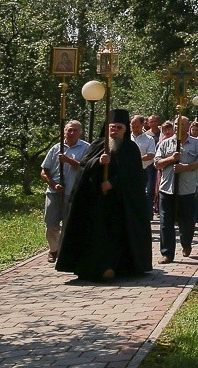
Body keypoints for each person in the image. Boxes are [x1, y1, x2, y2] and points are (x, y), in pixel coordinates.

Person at [55, 110, 152, 281]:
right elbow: (84, 167)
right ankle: (97, 267)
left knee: (119, 236)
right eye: (112, 127)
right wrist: (98, 162)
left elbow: (135, 176)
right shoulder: (98, 145)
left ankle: (120, 267)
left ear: (125, 130)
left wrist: (113, 183)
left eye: (119, 127)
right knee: (97, 236)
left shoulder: (130, 148)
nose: (115, 130)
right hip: (97, 202)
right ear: (107, 128)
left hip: (121, 204)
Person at [154, 117, 198, 263]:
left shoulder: (196, 144)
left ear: (188, 126)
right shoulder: (165, 143)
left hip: (186, 190)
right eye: (176, 124)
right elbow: (157, 164)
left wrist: (186, 167)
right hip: (167, 189)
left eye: (182, 124)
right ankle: (167, 253)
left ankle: (186, 243)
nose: (178, 127)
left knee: (187, 221)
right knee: (166, 222)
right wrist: (171, 158)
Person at [40, 120, 89, 264]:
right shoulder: (56, 148)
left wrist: (69, 160)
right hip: (54, 192)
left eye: (75, 130)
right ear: (64, 131)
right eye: (69, 130)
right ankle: (53, 250)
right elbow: (44, 171)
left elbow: (86, 167)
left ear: (80, 132)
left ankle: (67, 252)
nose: (71, 133)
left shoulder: (85, 148)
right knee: (51, 224)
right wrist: (54, 185)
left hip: (73, 193)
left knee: (70, 224)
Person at [131, 114, 158, 219]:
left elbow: (151, 155)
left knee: (148, 192)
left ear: (142, 125)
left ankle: (146, 215)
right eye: (132, 126)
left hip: (145, 169)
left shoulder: (149, 139)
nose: (134, 129)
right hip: (130, 171)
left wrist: (137, 159)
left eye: (137, 126)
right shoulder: (127, 138)